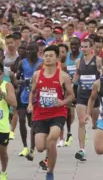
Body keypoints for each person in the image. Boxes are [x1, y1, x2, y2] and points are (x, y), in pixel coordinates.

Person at [28, 45, 74, 180]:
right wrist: (31, 103)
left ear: (57, 58)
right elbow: (33, 92)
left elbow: (71, 95)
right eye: (45, 55)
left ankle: (50, 171)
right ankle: (48, 156)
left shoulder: (63, 76)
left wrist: (63, 102)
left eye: (51, 56)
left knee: (51, 140)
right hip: (40, 114)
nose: (48, 58)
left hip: (57, 113)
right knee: (40, 147)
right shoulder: (37, 74)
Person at [72, 38, 102, 161]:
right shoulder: (78, 61)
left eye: (86, 46)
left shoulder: (98, 60)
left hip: (94, 95)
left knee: (94, 122)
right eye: (82, 47)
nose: (84, 49)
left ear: (91, 47)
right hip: (82, 94)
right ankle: (82, 149)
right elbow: (77, 75)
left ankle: (97, 134)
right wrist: (70, 85)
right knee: (81, 121)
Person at [16, 42, 42, 159]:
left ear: (37, 50)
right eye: (28, 51)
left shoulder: (42, 63)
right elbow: (16, 78)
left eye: (32, 50)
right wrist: (21, 82)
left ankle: (32, 148)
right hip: (23, 95)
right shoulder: (22, 63)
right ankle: (25, 146)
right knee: (21, 119)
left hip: (36, 97)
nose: (29, 53)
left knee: (32, 123)